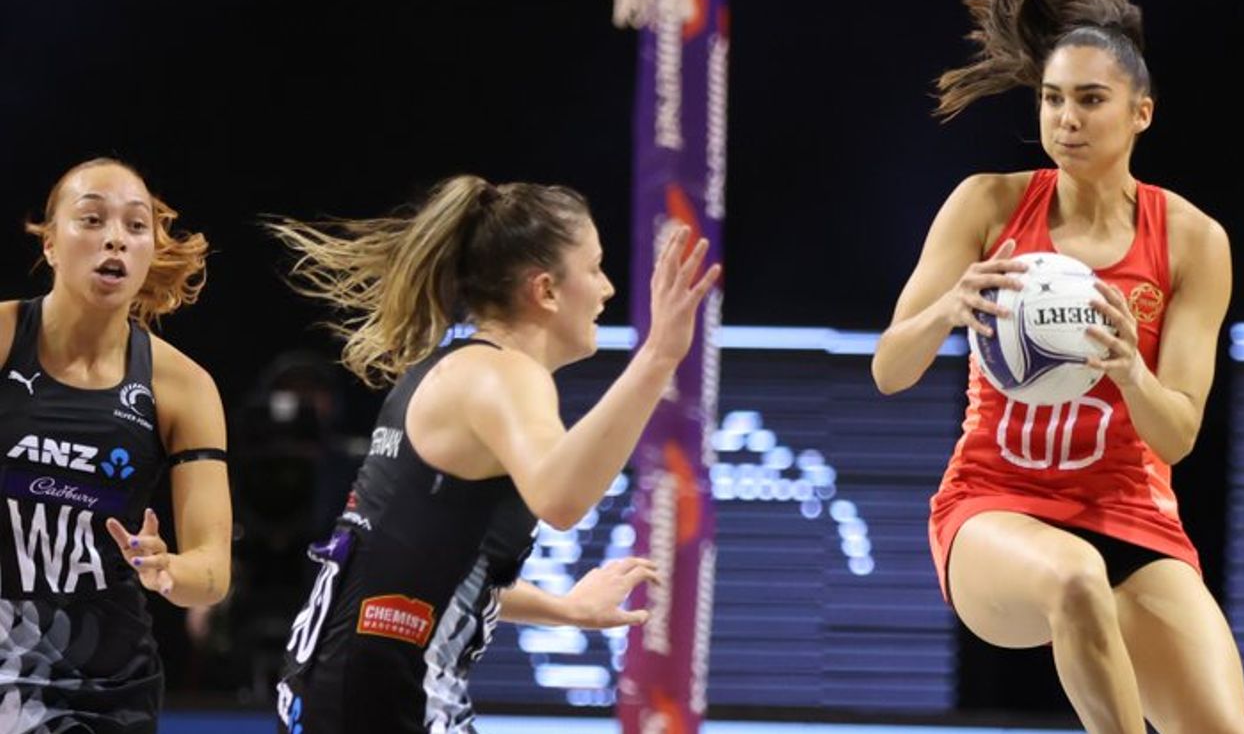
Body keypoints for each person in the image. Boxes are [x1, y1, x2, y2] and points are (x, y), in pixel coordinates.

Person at [871, 0, 1244, 734]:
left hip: (1133, 516)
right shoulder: (986, 203)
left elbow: (1178, 434)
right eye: (1051, 101)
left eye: (1089, 100)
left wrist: (1127, 368)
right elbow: (888, 369)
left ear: (1139, 113)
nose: (1067, 121)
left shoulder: (1191, 240)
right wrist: (949, 304)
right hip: (994, 507)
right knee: (1073, 578)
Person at [269, 174, 718, 734]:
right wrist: (658, 357)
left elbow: (424, 570)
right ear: (547, 290)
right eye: (595, 268)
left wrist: (566, 609)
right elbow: (561, 499)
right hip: (379, 696)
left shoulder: (457, 368)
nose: (607, 289)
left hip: (346, 688)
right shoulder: (502, 375)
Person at [0, 157, 232, 732]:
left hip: (103, 688)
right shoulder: (4, 340)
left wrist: (170, 570)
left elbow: (213, 569)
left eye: (135, 226)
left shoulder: (183, 387)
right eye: (92, 219)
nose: (115, 239)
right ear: (51, 244)